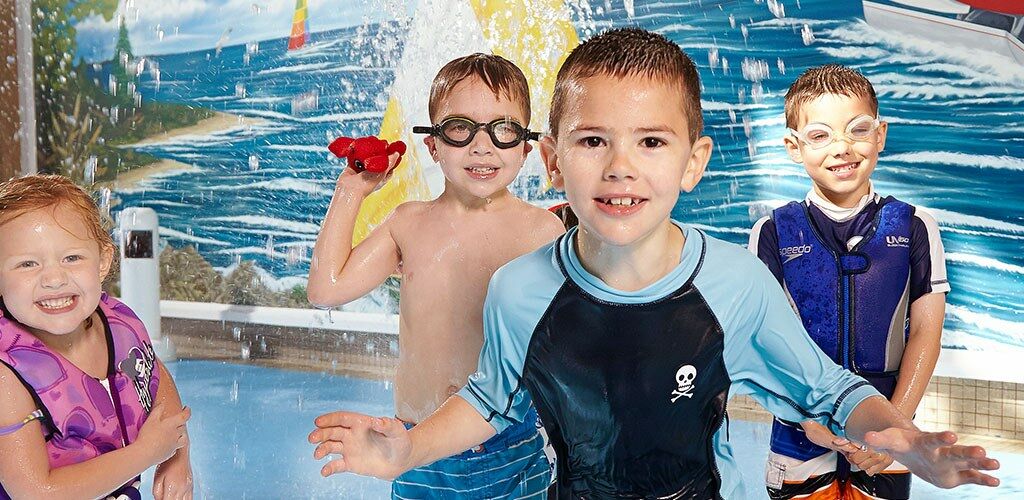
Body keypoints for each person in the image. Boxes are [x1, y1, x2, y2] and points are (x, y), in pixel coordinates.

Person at [307, 28, 999, 498]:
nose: (620, 167)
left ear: (693, 162)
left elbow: (830, 390)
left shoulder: (733, 284)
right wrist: (405, 452)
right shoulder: (521, 288)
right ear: (551, 162)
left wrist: (903, 439)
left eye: (651, 141)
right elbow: (487, 401)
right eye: (592, 141)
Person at [306, 53, 564, 498]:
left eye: (503, 130)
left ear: (526, 146)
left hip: (510, 443)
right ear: (433, 145)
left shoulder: (543, 231)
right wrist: (352, 190)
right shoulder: (410, 224)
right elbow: (326, 288)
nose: (482, 147)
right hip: (414, 443)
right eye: (460, 129)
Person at [748, 64, 950, 500]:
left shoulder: (915, 226)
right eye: (820, 135)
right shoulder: (772, 231)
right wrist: (804, 418)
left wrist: (897, 426)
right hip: (799, 431)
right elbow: (761, 338)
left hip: (887, 426)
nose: (842, 148)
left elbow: (927, 334)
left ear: (880, 135)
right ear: (793, 146)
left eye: (858, 130)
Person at [0, 175, 192, 499]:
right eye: (27, 264)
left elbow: (153, 376)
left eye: (71, 258)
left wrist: (177, 455)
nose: (53, 278)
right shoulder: (7, 376)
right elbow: (36, 491)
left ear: (103, 261)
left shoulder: (116, 325)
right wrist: (146, 454)